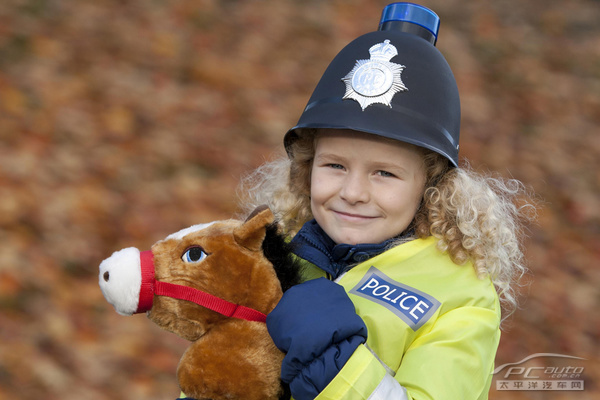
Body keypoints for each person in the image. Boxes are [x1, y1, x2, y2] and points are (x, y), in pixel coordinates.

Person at [235, 3, 535, 400]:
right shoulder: (278, 252)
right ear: (306, 168)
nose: (353, 192)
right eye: (335, 165)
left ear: (431, 186)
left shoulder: (461, 303)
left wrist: (336, 365)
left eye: (385, 173)